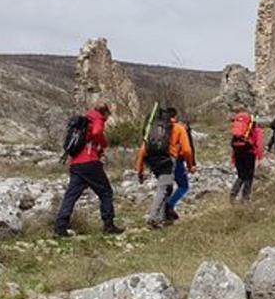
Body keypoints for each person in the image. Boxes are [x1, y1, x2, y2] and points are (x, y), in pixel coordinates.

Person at [54, 101, 124, 237]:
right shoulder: (98, 118)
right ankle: (108, 225)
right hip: (90, 162)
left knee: (71, 195)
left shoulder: (85, 120)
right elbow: (97, 132)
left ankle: (60, 226)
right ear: (105, 112)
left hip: (76, 163)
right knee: (106, 192)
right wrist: (104, 143)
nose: (108, 117)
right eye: (108, 114)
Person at [135, 107, 196, 228]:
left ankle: (162, 217)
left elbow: (142, 150)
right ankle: (153, 218)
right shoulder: (178, 128)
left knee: (167, 187)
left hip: (152, 161)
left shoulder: (154, 128)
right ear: (175, 116)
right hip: (168, 160)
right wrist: (190, 165)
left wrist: (140, 170)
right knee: (163, 189)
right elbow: (187, 150)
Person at [229, 111, 264, 202]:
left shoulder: (239, 133)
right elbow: (259, 145)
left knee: (241, 175)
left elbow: (234, 145)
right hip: (249, 154)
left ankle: (233, 193)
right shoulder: (257, 130)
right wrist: (260, 158)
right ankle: (245, 197)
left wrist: (233, 159)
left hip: (238, 153)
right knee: (249, 176)